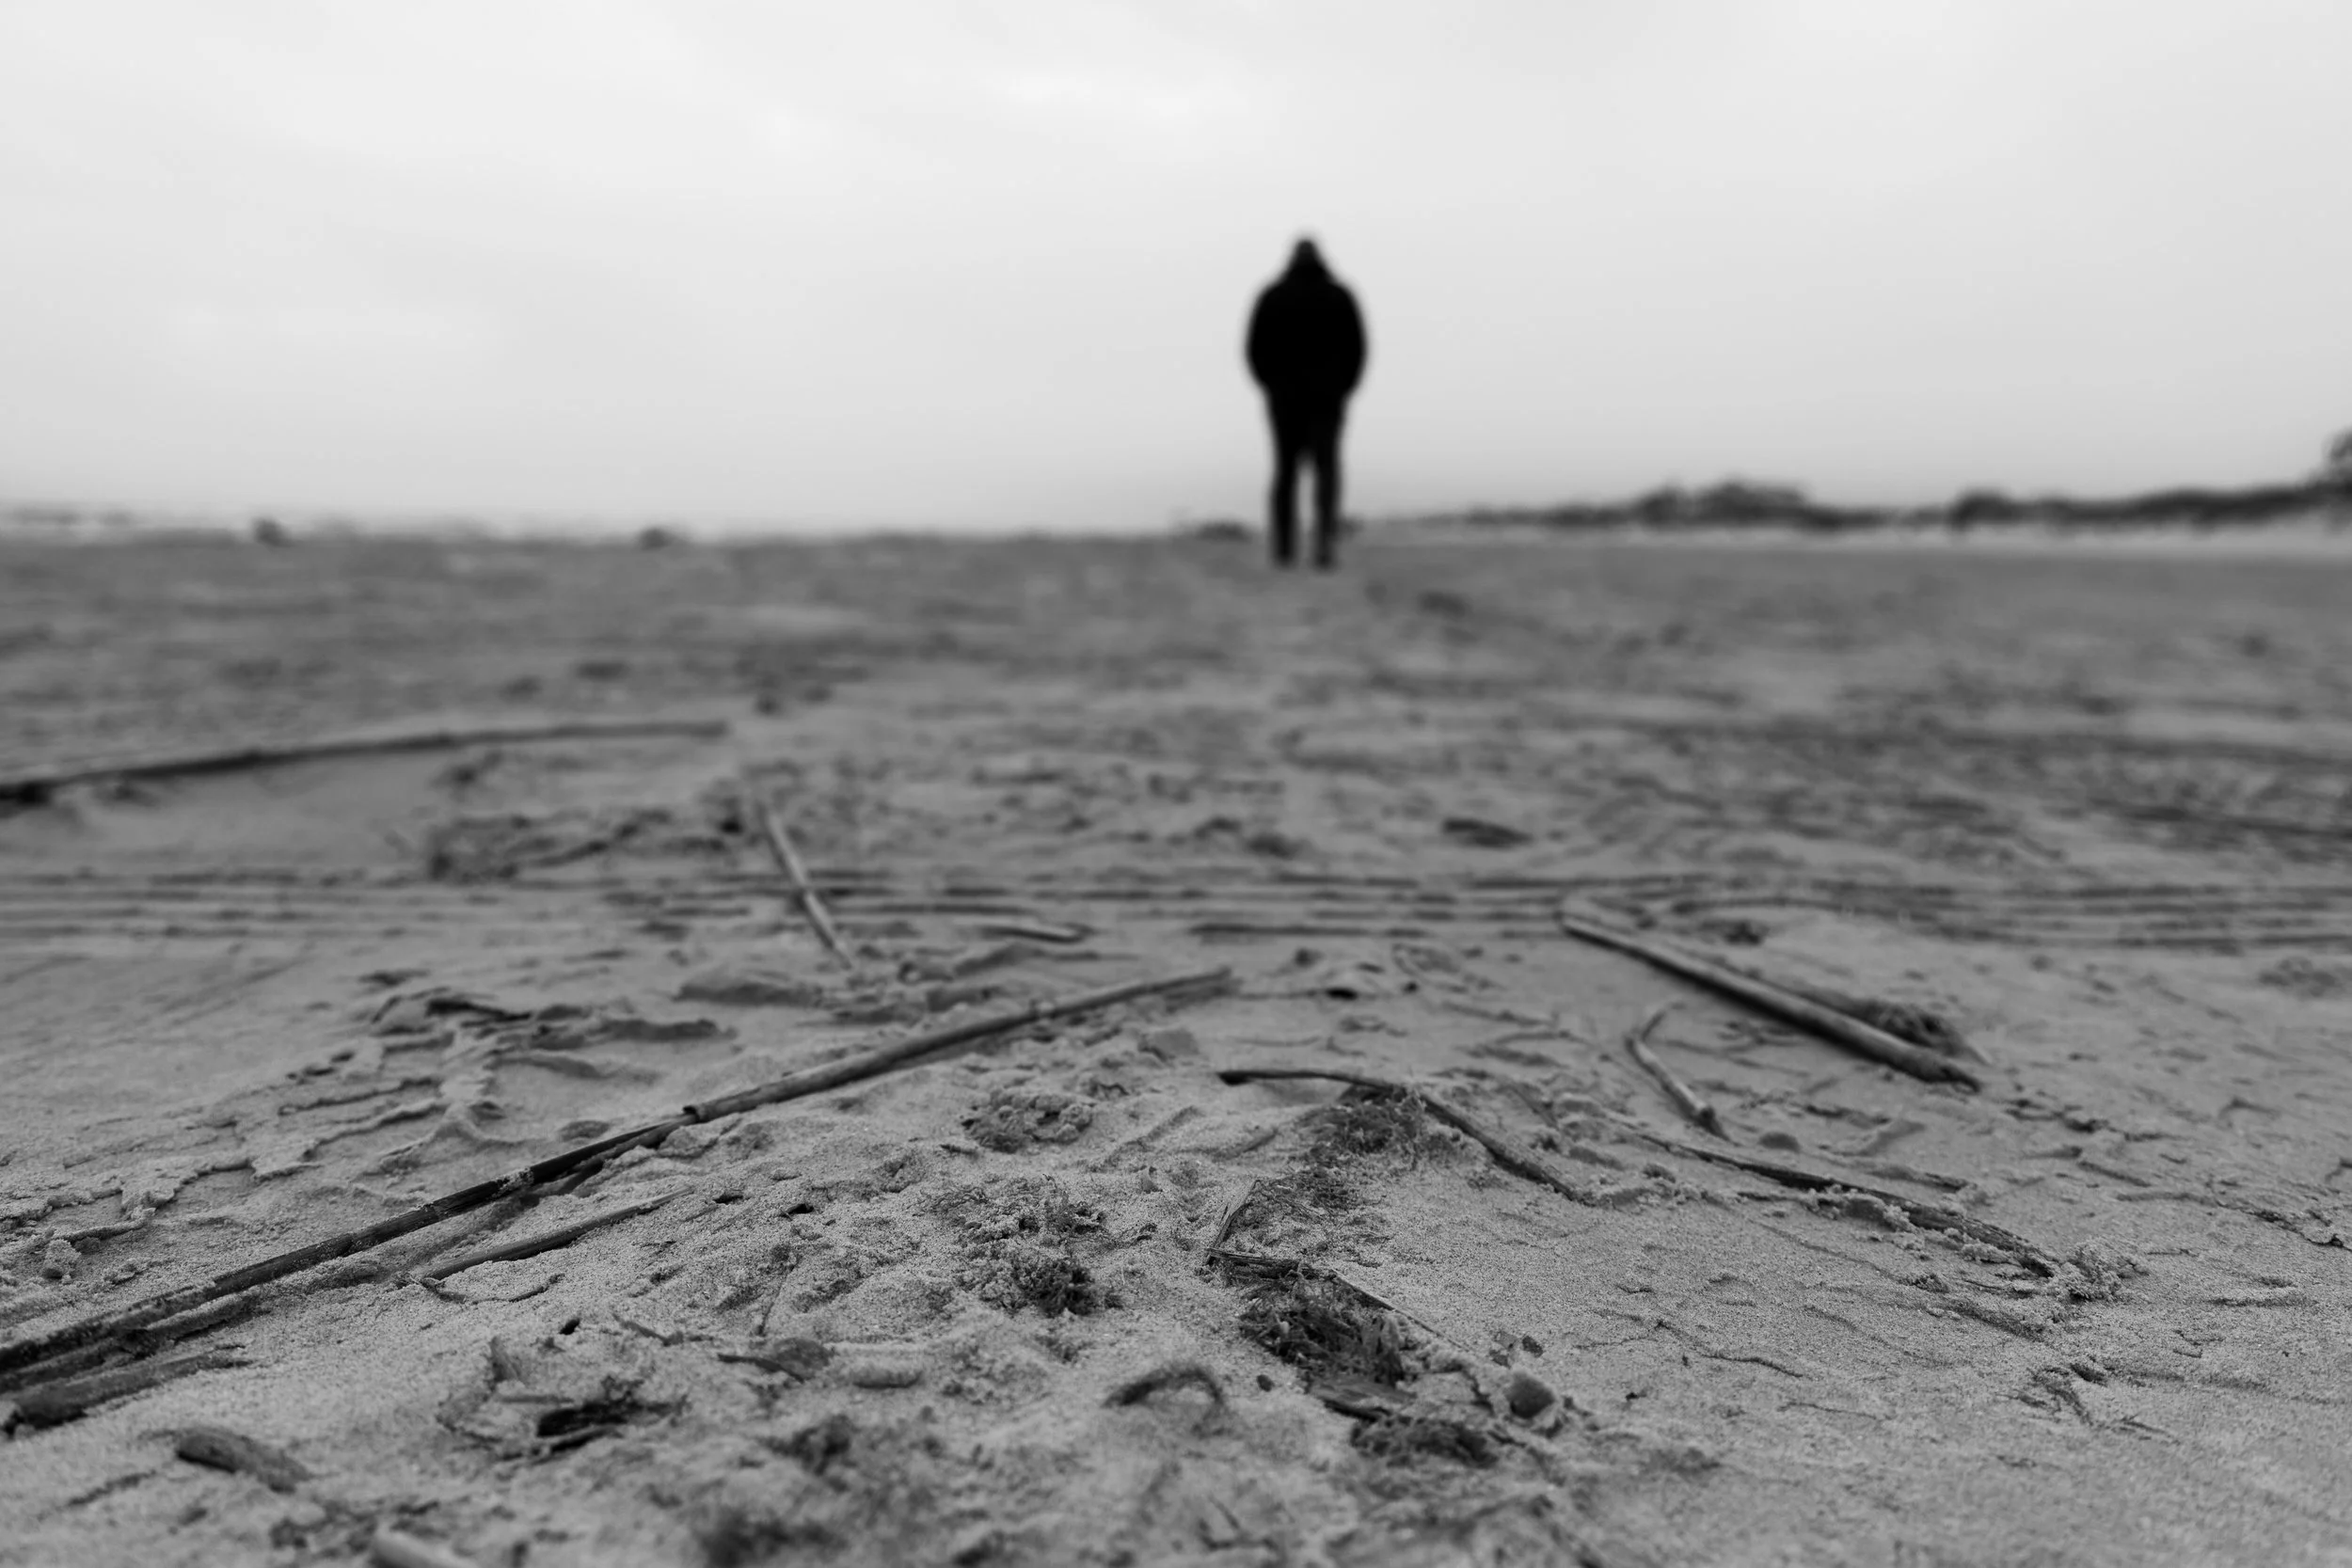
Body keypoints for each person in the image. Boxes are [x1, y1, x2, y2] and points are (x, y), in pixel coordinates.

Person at [1246, 238, 1368, 569]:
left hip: (1286, 398)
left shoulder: (1273, 297)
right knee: (1325, 471)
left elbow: (1254, 350)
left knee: (1285, 472)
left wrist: (1271, 385)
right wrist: (1343, 386)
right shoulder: (1338, 296)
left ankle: (1284, 549)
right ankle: (1323, 545)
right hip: (1326, 398)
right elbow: (1358, 349)